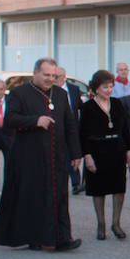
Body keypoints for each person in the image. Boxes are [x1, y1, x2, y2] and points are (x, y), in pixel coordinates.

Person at [0, 58, 83, 251]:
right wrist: (35, 120)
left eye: (53, 75)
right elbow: (10, 119)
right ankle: (35, 237)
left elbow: (70, 125)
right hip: (29, 156)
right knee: (33, 197)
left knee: (59, 196)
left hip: (56, 155)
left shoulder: (59, 94)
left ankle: (62, 238)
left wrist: (76, 153)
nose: (50, 79)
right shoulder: (19, 93)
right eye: (46, 75)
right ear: (35, 74)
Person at [79, 69, 130, 241]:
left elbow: (125, 129)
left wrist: (128, 150)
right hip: (97, 150)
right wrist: (87, 155)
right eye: (105, 87)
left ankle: (116, 223)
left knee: (119, 187)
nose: (109, 90)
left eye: (111, 86)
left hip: (116, 149)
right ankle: (101, 224)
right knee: (98, 189)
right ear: (96, 88)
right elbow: (83, 133)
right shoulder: (87, 107)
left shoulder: (117, 103)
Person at [53, 66, 85, 195]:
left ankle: (76, 183)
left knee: (74, 154)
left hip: (72, 127)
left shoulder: (73, 89)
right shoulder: (52, 91)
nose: (55, 79)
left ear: (64, 77)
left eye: (57, 76)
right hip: (57, 127)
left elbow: (80, 106)